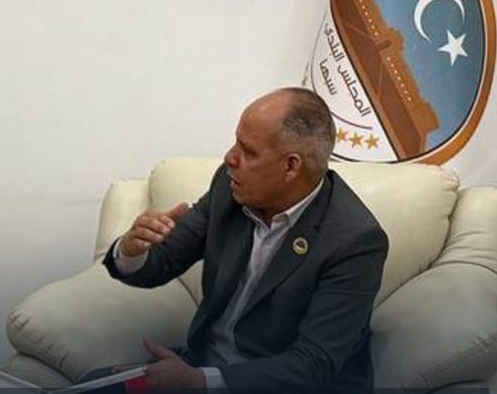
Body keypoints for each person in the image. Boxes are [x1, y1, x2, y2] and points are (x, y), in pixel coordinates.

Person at [102, 87, 389, 392]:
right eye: (235, 143)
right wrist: (132, 250)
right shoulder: (230, 188)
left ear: (291, 166)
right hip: (203, 367)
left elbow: (313, 365)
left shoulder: (355, 241)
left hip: (277, 386)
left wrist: (200, 382)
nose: (229, 158)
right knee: (92, 386)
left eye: (248, 151)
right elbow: (165, 260)